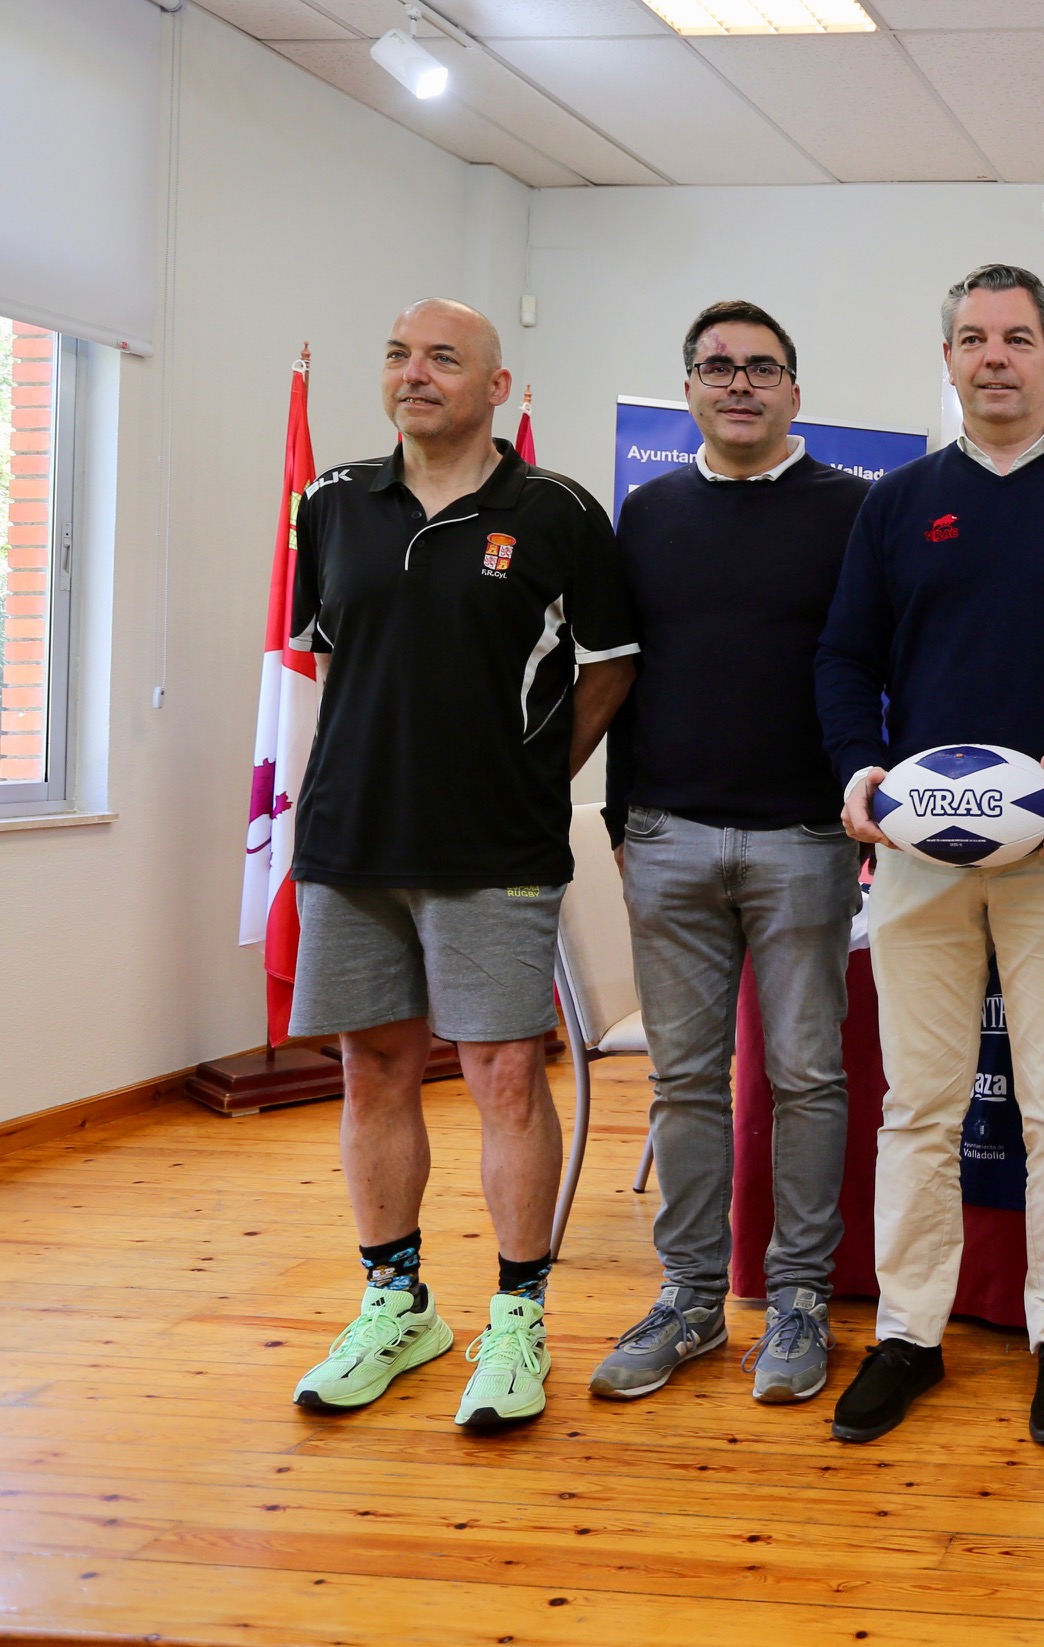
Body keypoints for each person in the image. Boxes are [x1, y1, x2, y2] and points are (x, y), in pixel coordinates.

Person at [817, 264, 1044, 1449]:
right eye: (972, 338)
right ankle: (910, 1332)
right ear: (950, 357)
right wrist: (859, 774)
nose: (995, 357)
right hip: (918, 852)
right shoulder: (898, 501)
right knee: (917, 1103)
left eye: (1018, 339)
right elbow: (842, 659)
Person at [286, 299, 637, 1428]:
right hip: (351, 841)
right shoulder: (333, 503)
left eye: (444, 358)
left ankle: (518, 1320)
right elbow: (334, 658)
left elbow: (613, 664)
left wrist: (535, 779)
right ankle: (397, 1305)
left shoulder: (556, 511)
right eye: (397, 355)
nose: (415, 374)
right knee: (373, 1071)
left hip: (494, 847)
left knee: (500, 1080)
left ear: (496, 385)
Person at [590, 301, 870, 1407]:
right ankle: (690, 1301)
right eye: (717, 367)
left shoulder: (855, 511)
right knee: (685, 1083)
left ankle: (797, 1297)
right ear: (691, 389)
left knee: (806, 1077)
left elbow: (872, 667)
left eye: (761, 368)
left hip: (804, 837)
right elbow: (618, 674)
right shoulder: (647, 513)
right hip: (667, 835)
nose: (739, 383)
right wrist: (620, 824)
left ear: (795, 391)